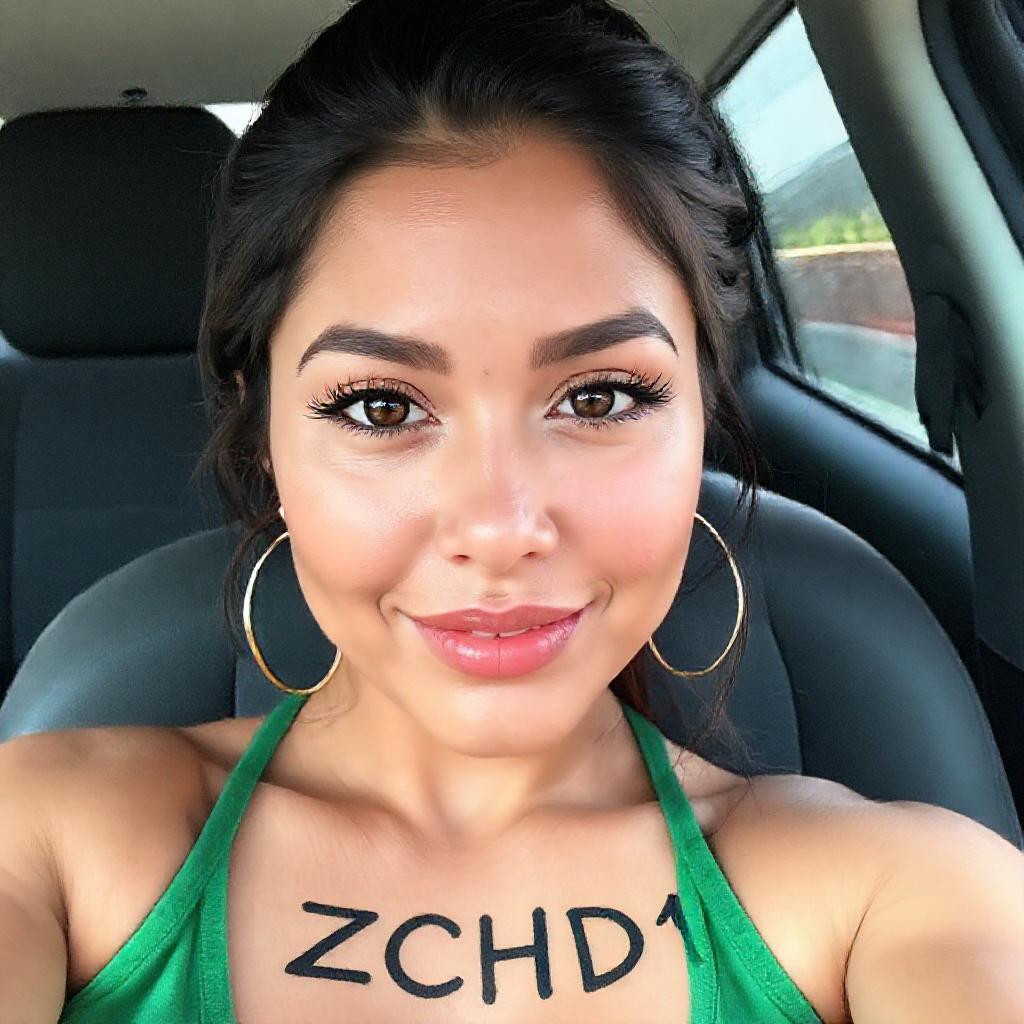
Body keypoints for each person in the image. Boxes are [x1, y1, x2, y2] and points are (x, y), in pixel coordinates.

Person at [3, 0, 1023, 1021]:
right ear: (264, 430)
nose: (498, 530)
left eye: (601, 397)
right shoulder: (40, 838)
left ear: (702, 415)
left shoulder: (906, 895)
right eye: (381, 406)